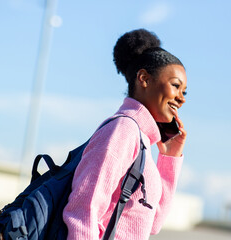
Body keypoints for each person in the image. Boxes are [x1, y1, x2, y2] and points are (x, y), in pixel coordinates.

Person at [62, 29, 187, 240]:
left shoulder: (141, 141)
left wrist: (170, 158)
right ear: (144, 79)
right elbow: (83, 210)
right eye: (176, 86)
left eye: (184, 92)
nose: (181, 98)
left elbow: (153, 223)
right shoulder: (122, 131)